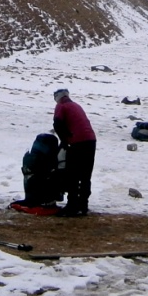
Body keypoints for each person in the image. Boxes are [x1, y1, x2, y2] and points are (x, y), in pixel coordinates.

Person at [52, 87, 96, 216]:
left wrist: (64, 141)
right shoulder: (76, 105)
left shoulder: (61, 106)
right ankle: (83, 205)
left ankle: (72, 206)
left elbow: (57, 123)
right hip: (91, 140)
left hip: (77, 142)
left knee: (73, 174)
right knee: (85, 175)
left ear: (57, 97)